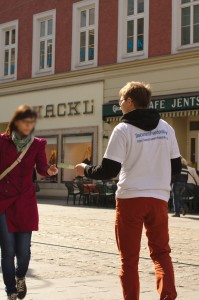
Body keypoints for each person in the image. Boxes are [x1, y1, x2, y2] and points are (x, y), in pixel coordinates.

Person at [75, 81, 181, 300]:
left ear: (130, 102)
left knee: (129, 259)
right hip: (158, 198)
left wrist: (85, 169)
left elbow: (108, 170)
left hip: (130, 198)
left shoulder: (122, 129)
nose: (119, 104)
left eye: (121, 100)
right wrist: (157, 180)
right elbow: (176, 168)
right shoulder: (166, 128)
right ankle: (168, 297)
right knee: (161, 253)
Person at [0, 105, 58, 300]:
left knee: (23, 252)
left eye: (31, 123)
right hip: (4, 201)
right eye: (25, 122)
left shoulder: (37, 144)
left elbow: (41, 167)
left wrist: (49, 171)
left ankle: (20, 276)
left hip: (25, 202)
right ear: (16, 122)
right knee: (7, 250)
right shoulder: (1, 142)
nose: (28, 126)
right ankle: (10, 291)